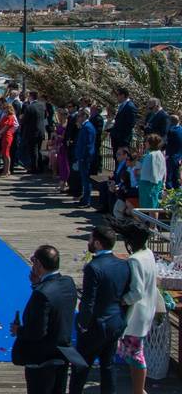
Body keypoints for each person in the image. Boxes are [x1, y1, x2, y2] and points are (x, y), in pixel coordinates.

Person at [69, 226, 130, 394]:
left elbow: (89, 301)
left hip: (96, 324)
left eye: (90, 239)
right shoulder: (123, 264)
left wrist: (82, 324)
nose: (88, 242)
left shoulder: (93, 267)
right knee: (108, 366)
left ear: (97, 243)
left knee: (81, 366)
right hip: (115, 321)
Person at [10, 245, 78, 394]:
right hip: (62, 355)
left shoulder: (41, 294)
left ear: (39, 265)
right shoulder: (68, 283)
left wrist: (18, 330)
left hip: (42, 360)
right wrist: (37, 284)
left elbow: (37, 332)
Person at [115, 222, 161, 394]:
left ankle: (139, 390)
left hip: (136, 314)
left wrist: (120, 300)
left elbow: (136, 292)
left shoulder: (135, 260)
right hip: (147, 309)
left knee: (136, 355)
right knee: (135, 354)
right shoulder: (148, 253)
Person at [74, 109, 97, 207]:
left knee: (86, 179)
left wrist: (83, 157)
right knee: (84, 179)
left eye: (79, 116)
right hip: (82, 156)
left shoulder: (88, 127)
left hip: (85, 158)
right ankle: (85, 198)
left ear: (84, 116)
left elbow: (88, 144)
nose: (78, 118)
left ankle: (86, 200)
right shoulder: (85, 127)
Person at [137, 133, 166, 209]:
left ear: (150, 143)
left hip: (150, 184)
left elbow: (151, 171)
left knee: (152, 206)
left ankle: (152, 221)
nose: (145, 143)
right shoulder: (157, 154)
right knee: (150, 206)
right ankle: (149, 220)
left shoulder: (152, 155)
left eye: (146, 141)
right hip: (151, 183)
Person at [21, 91, 46, 174]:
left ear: (31, 97)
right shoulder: (42, 106)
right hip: (41, 131)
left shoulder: (29, 107)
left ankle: (34, 168)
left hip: (32, 132)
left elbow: (25, 121)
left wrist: (22, 118)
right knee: (38, 150)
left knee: (33, 151)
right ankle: (41, 167)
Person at [108, 87, 137, 159]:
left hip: (123, 138)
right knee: (117, 158)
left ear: (123, 95)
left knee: (122, 159)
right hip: (116, 137)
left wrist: (122, 137)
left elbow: (131, 124)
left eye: (117, 95)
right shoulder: (122, 105)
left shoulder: (130, 107)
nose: (116, 97)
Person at [0, 105, 18, 177]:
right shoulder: (5, 116)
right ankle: (5, 170)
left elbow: (6, 126)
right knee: (3, 153)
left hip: (7, 135)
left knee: (6, 153)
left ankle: (7, 171)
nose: (4, 110)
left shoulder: (11, 117)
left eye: (5, 108)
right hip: (3, 135)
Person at [166, 114, 182, 190]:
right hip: (179, 156)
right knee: (176, 177)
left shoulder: (171, 132)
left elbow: (167, 143)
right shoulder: (181, 129)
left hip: (171, 156)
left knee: (169, 177)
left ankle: (169, 195)